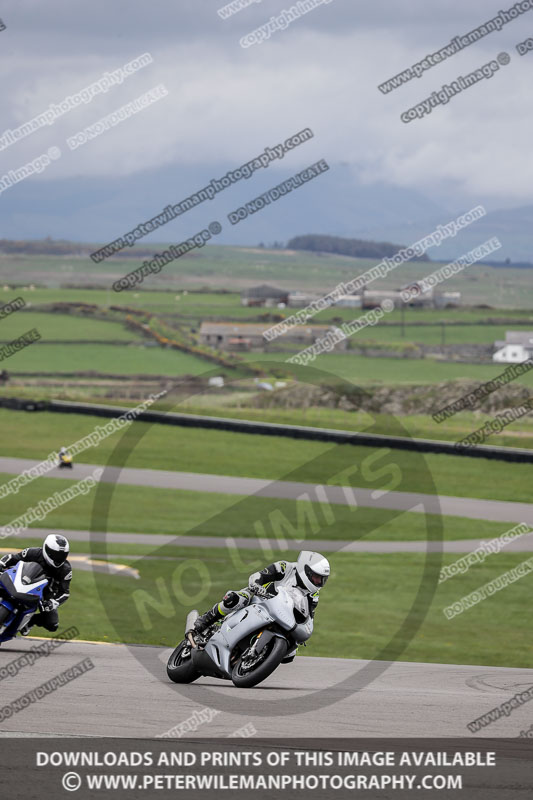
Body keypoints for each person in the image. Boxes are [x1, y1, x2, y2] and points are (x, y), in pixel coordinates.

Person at [191, 551, 330, 659]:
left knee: (290, 652)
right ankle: (206, 620)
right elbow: (260, 575)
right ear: (306, 570)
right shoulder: (286, 567)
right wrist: (257, 584)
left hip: (280, 615)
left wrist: (300, 636)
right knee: (236, 599)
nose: (318, 582)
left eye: (322, 579)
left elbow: (308, 618)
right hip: (259, 599)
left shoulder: (313, 596)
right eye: (316, 577)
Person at [0, 534, 71, 635]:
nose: (58, 558)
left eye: (62, 555)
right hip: (22, 579)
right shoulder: (33, 552)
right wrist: (2, 564)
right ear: (46, 549)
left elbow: (64, 592)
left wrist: (53, 602)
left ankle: (30, 622)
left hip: (45, 593)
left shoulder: (66, 569)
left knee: (52, 624)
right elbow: (13, 557)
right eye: (55, 554)